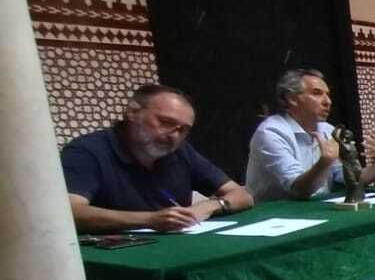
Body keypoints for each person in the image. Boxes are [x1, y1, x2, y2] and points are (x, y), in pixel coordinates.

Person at [61, 83, 254, 233]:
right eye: (165, 122)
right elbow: (69, 212)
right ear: (132, 112)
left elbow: (242, 195)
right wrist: (149, 219)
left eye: (183, 130)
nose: (174, 135)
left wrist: (208, 207)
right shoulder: (87, 151)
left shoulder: (181, 151)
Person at [245, 68, 375, 202]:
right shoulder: (271, 132)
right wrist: (325, 161)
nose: (328, 101)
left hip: (318, 208)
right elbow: (298, 191)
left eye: (328, 95)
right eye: (317, 93)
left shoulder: (327, 130)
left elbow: (347, 178)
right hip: (276, 215)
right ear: (292, 99)